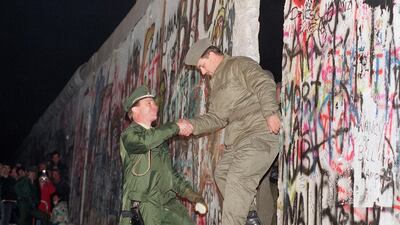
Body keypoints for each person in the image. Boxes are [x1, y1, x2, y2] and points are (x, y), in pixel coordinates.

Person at [180, 38, 281, 225]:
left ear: (210, 55)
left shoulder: (238, 64)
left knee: (237, 180)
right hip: (238, 140)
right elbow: (216, 118)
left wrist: (270, 113)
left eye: (201, 66)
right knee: (222, 173)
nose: (202, 72)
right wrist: (192, 125)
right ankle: (251, 216)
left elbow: (263, 83)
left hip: (258, 132)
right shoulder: (215, 84)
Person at [119, 85, 207, 225]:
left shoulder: (160, 140)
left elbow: (170, 175)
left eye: (154, 102)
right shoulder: (129, 135)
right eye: (149, 103)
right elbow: (145, 142)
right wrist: (176, 127)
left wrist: (193, 196)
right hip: (145, 204)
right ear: (134, 110)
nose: (155, 106)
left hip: (167, 203)